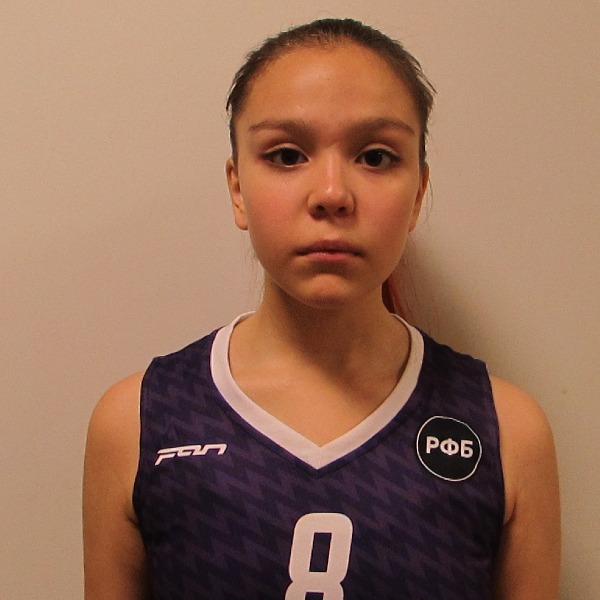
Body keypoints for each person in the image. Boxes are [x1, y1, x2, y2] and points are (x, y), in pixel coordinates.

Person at [82, 18, 560, 600]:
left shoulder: (508, 432)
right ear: (238, 188)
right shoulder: (138, 422)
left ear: (417, 193)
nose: (332, 193)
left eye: (376, 157)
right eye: (287, 155)